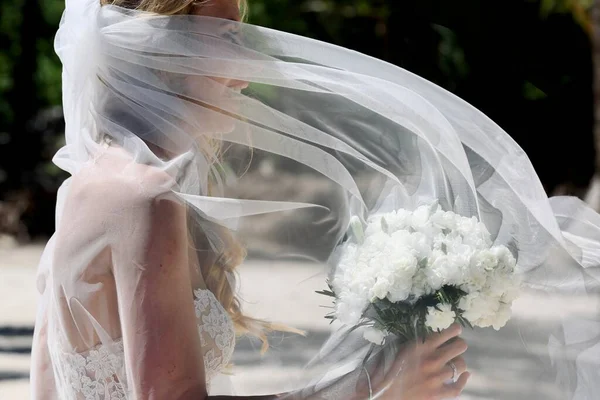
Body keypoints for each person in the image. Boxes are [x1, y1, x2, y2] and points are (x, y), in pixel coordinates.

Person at [30, 0, 600, 399]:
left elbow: (48, 384)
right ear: (160, 45)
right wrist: (369, 385)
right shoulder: (144, 199)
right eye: (230, 37)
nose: (247, 73)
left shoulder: (84, 185)